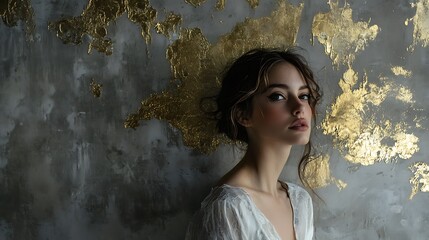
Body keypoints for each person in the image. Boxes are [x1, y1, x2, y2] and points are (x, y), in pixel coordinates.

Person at [185, 48, 322, 240]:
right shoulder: (229, 208)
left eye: (304, 95)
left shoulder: (300, 201)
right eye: (278, 96)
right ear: (243, 114)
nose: (299, 107)